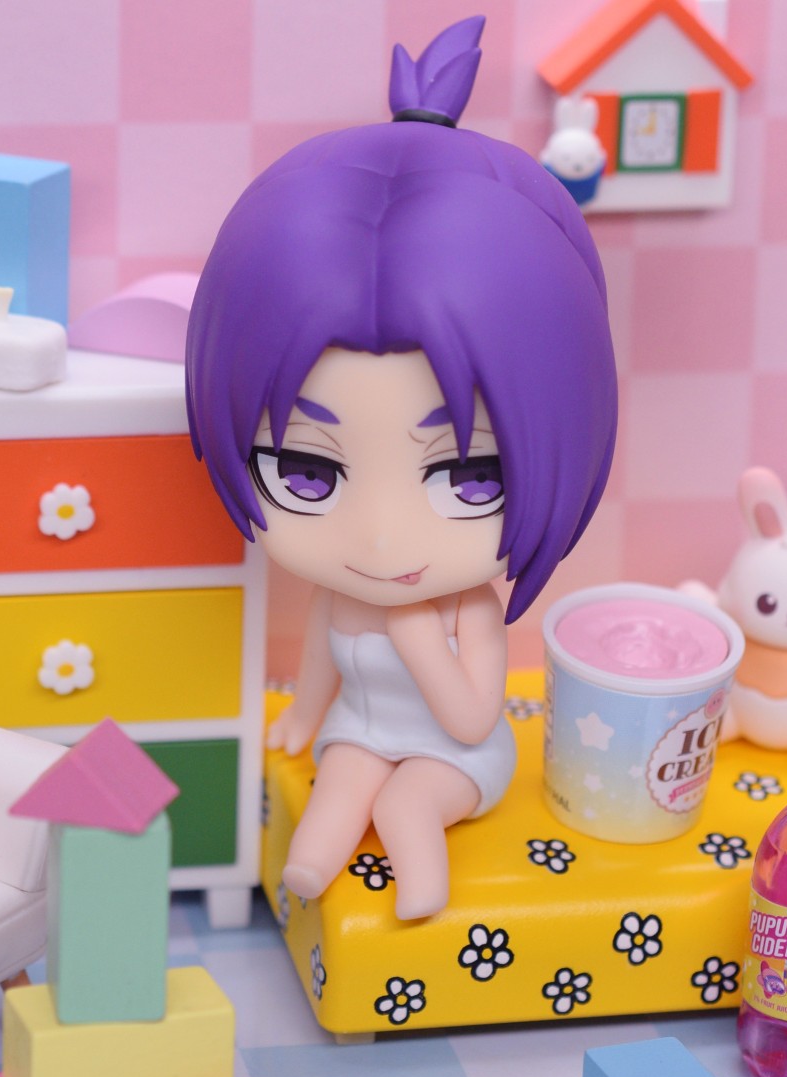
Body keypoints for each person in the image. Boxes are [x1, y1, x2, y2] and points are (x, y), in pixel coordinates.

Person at [185, 16, 618, 919]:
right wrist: (304, 716)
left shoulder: (467, 610)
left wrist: (422, 642)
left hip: (456, 757)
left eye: (470, 478)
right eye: (306, 472)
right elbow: (317, 662)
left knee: (403, 803)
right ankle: (307, 877)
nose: (381, 541)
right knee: (340, 781)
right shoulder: (340, 596)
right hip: (362, 730)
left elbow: (469, 718)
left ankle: (421, 898)